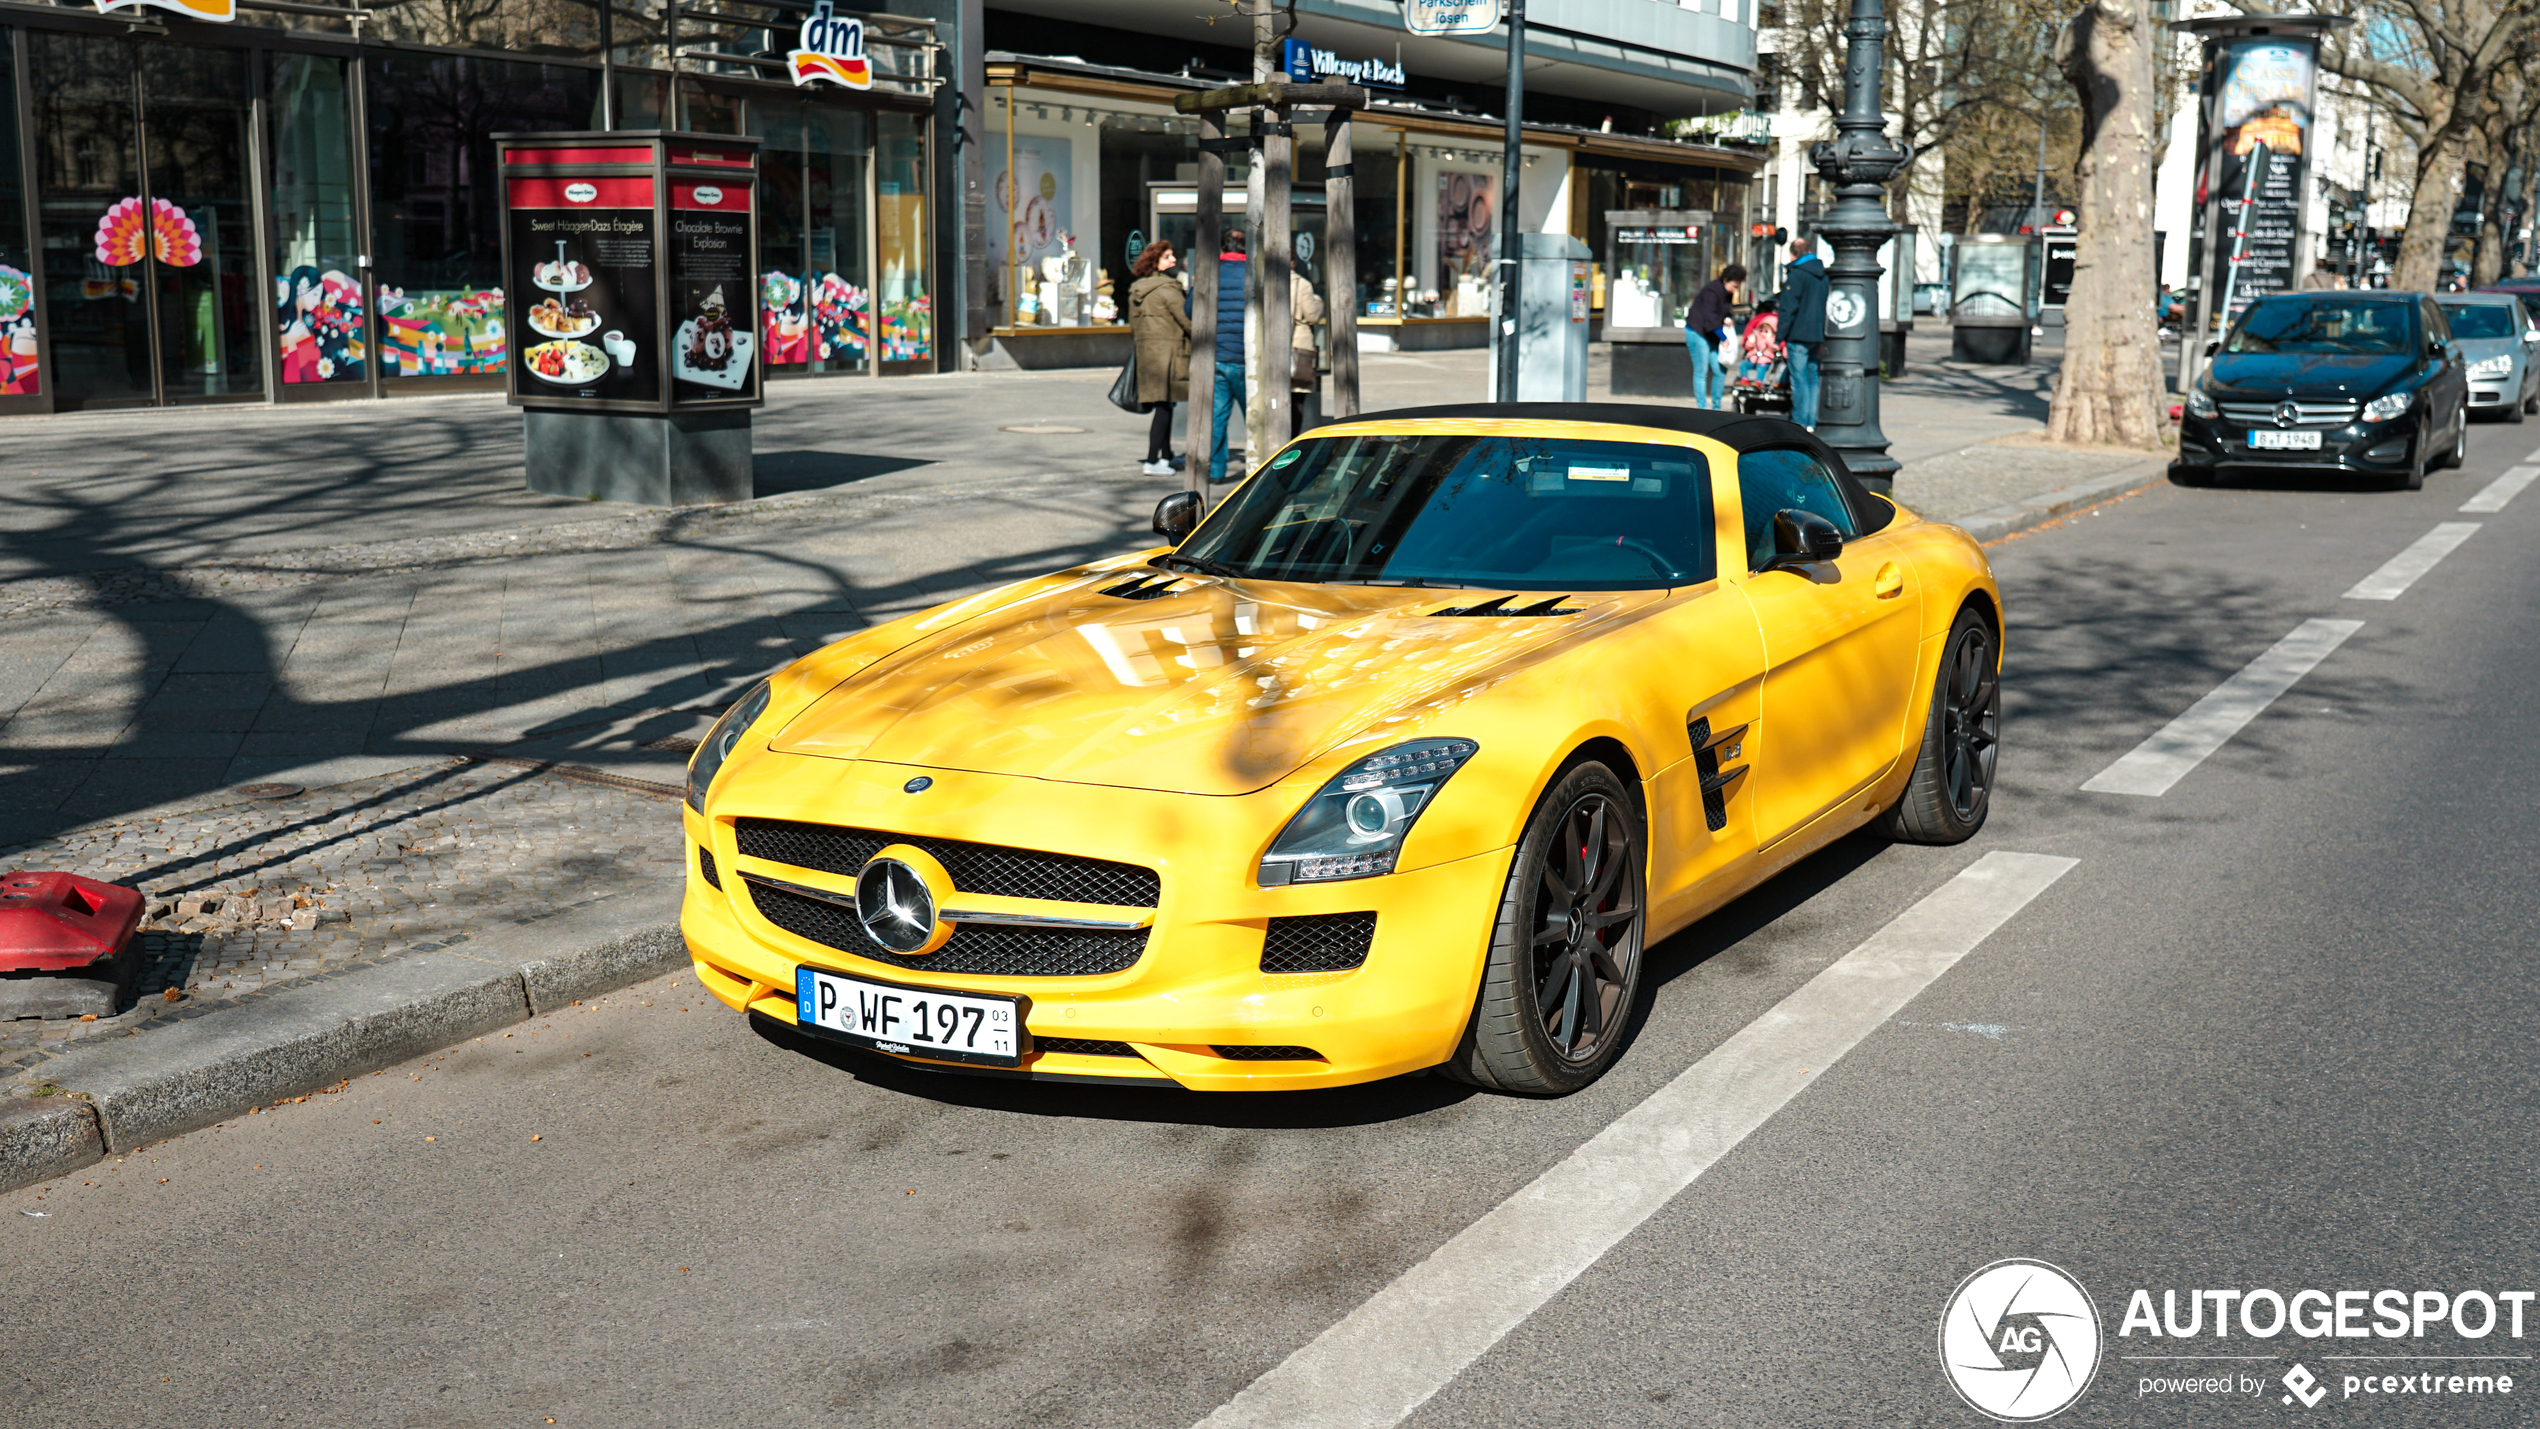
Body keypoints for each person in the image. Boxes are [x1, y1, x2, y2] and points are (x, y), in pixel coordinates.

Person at [1127, 240, 1191, 476]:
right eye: (1167, 256)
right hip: (1169, 356)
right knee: (1164, 408)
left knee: (1165, 405)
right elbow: (1186, 322)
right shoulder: (1168, 289)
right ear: (1156, 262)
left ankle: (1166, 455)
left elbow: (1134, 325)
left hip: (1148, 355)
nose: (1173, 259)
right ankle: (1152, 461)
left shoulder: (1137, 289)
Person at [1191, 228, 1249, 483]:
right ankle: (1262, 467)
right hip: (1249, 357)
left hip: (1218, 355)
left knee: (1217, 417)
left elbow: (1189, 309)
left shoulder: (1209, 273)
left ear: (1222, 248)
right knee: (1256, 417)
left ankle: (1215, 471)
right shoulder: (1255, 273)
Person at [1778, 236, 1830, 429]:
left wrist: (1779, 337)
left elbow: (1788, 309)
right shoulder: (1823, 274)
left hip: (1798, 334)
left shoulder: (1797, 274)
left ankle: (1799, 423)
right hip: (1816, 334)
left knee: (1799, 380)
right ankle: (1811, 422)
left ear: (1792, 254)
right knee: (1812, 379)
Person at [1683, 263, 1746, 409]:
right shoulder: (1712, 291)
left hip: (1711, 333)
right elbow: (1709, 317)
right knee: (1701, 371)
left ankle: (1716, 407)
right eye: (1734, 286)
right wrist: (1724, 338)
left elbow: (1722, 312)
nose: (1735, 290)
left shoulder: (1726, 293)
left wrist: (1727, 318)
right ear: (1725, 280)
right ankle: (1702, 408)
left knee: (1720, 370)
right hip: (1698, 332)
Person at [1290, 268, 1326, 431]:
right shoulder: (1302, 284)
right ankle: (1293, 438)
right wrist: (1318, 301)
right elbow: (1312, 315)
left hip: (1273, 345)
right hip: (1299, 345)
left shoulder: (1264, 279)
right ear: (1293, 262)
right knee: (1297, 398)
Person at [1740, 299, 1780, 384]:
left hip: (1766, 359)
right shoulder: (1756, 335)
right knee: (1743, 364)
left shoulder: (1756, 320)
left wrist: (1769, 339)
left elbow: (1774, 346)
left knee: (1761, 366)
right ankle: (1744, 379)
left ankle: (1759, 382)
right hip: (1754, 358)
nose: (1763, 333)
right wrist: (1750, 341)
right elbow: (1747, 344)